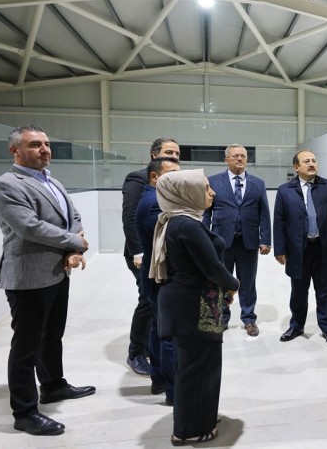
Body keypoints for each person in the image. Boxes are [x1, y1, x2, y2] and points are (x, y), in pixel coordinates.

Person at [0, 124, 95, 436]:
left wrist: (73, 247)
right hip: (28, 277)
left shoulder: (52, 180)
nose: (44, 149)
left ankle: (53, 385)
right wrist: (74, 242)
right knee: (26, 346)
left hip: (57, 271)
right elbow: (30, 227)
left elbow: (73, 217)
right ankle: (24, 412)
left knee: (52, 336)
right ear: (15, 150)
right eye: (35, 144)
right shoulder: (5, 185)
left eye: (46, 144)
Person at [149, 169, 239, 445]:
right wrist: (233, 284)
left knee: (195, 368)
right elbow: (212, 268)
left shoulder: (177, 220)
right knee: (198, 368)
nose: (212, 192)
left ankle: (199, 418)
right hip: (194, 306)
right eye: (206, 188)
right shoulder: (186, 225)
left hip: (190, 303)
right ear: (187, 193)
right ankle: (190, 430)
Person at [273, 150, 327, 346]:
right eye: (306, 161)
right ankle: (296, 326)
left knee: (325, 291)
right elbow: (279, 221)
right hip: (297, 249)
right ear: (296, 167)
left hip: (324, 247)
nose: (312, 164)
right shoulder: (285, 190)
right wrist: (279, 249)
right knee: (298, 291)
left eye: (314, 160)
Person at [121, 138, 181, 376]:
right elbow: (130, 216)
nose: (174, 156)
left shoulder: (174, 177)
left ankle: (155, 347)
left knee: (159, 301)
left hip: (165, 252)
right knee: (147, 300)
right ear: (154, 154)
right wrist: (139, 252)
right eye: (169, 152)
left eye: (176, 153)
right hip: (144, 253)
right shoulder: (137, 178)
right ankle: (136, 352)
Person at [203, 144, 271, 337]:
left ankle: (249, 319)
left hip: (248, 242)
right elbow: (207, 213)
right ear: (226, 160)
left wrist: (265, 239)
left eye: (243, 156)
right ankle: (221, 319)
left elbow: (264, 214)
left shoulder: (258, 183)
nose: (240, 159)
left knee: (248, 282)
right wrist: (205, 238)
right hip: (221, 242)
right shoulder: (213, 181)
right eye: (235, 156)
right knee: (220, 281)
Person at [135, 157, 181, 404]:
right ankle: (174, 391)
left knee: (159, 329)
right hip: (160, 276)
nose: (177, 179)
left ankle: (160, 379)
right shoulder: (154, 203)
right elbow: (173, 238)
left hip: (156, 274)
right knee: (169, 334)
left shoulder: (156, 199)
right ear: (154, 177)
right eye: (171, 174)